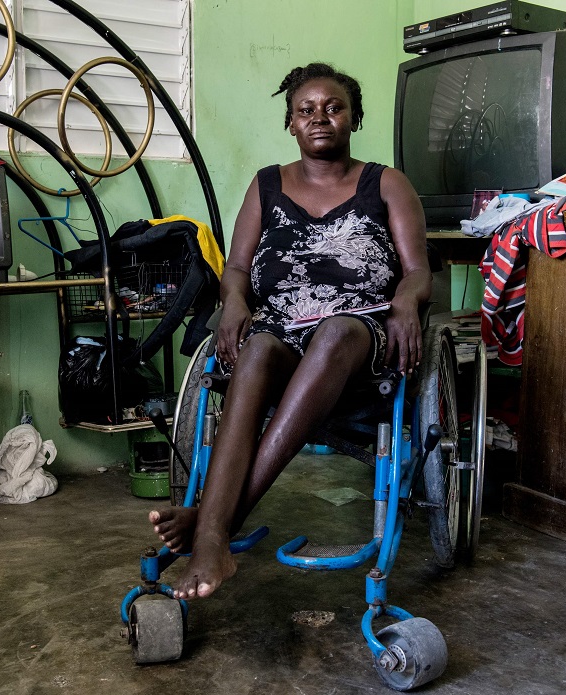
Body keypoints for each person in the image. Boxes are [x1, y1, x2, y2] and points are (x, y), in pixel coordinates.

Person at [149, 62, 432, 599]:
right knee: (255, 350)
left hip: (358, 336)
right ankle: (214, 530)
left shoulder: (386, 183)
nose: (320, 118)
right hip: (281, 327)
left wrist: (405, 303)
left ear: (354, 118)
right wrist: (232, 302)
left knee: (336, 333)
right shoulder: (266, 185)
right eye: (306, 110)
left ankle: (212, 528)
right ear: (290, 123)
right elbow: (235, 269)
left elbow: (418, 270)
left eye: (333, 107)